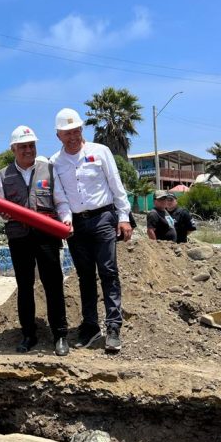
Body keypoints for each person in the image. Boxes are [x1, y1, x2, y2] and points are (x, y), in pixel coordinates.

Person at [51, 107, 132, 354]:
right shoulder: (55, 162)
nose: (73, 136)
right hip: (76, 225)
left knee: (108, 272)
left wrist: (124, 216)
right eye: (67, 133)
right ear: (59, 136)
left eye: (76, 131)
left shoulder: (100, 152)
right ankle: (90, 325)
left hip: (103, 218)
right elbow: (60, 197)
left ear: (81, 130)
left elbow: (115, 185)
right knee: (85, 276)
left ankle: (114, 326)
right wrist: (66, 219)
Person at [0, 125, 68, 356]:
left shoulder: (49, 169)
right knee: (24, 286)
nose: (28, 150)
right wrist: (2, 214)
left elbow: (61, 200)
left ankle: (60, 335)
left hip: (46, 235)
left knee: (53, 284)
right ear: (13, 149)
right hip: (20, 237)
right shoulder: (4, 175)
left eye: (31, 145)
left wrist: (65, 219)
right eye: (23, 146)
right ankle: (28, 334)